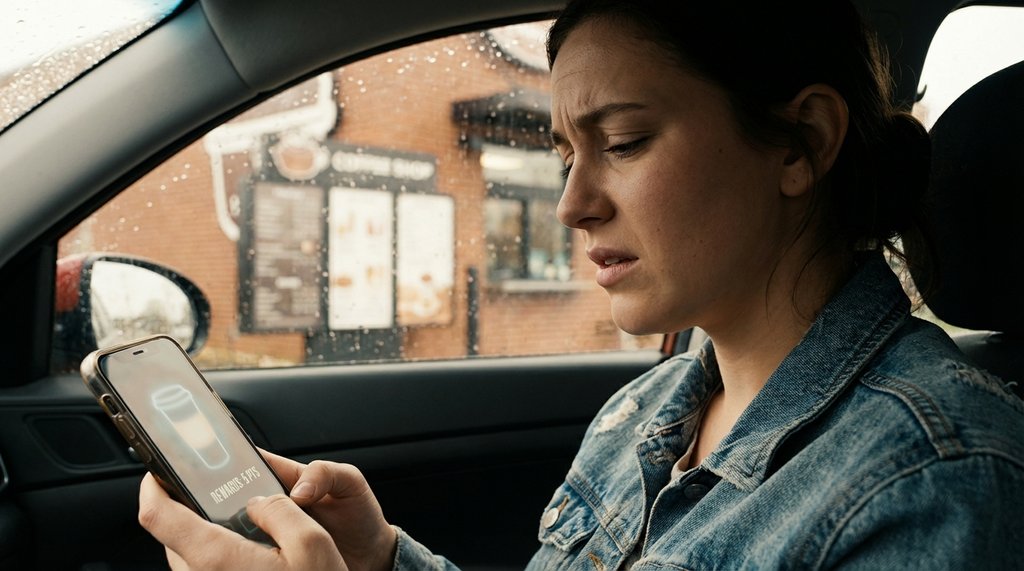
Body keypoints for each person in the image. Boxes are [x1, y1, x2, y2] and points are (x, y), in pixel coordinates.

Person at [138, 0, 1024, 569]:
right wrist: (382, 562)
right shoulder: (641, 410)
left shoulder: (938, 478)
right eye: (564, 154)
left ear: (801, 144)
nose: (570, 204)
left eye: (624, 142)